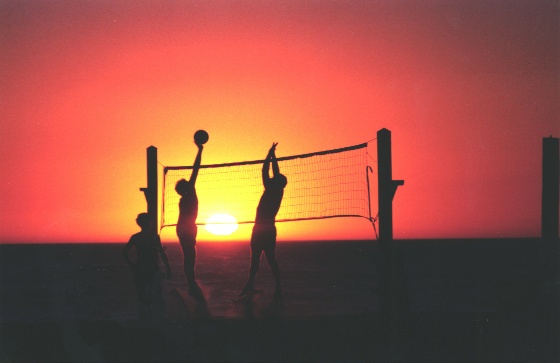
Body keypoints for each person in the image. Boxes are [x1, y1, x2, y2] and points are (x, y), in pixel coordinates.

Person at [240, 142, 287, 299]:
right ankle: (271, 286)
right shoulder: (278, 190)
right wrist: (273, 155)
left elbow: (265, 169)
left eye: (275, 178)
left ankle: (252, 285)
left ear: (276, 181)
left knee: (258, 259)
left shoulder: (271, 188)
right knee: (269, 259)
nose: (273, 177)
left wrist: (269, 155)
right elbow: (275, 172)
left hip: (261, 229)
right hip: (267, 229)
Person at [123, 213, 172, 320]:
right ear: (149, 222)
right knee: (156, 295)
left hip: (139, 268)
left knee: (142, 295)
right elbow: (161, 253)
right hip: (152, 269)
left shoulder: (136, 237)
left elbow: (124, 252)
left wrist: (132, 265)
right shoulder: (154, 237)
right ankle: (155, 318)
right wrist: (168, 268)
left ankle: (144, 318)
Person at [175, 142, 204, 299]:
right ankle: (191, 285)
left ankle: (191, 284)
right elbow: (196, 169)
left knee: (189, 257)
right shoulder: (190, 193)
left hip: (183, 228)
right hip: (187, 228)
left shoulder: (185, 196)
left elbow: (195, 172)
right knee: (190, 257)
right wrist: (200, 151)